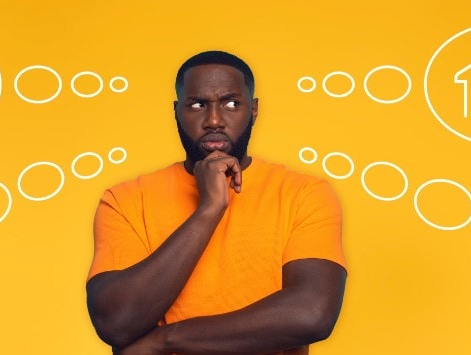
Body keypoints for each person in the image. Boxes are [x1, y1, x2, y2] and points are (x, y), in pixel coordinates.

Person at [85, 50, 348, 355]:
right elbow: (116, 321)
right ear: (176, 111)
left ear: (253, 110)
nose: (213, 120)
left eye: (231, 104)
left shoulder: (303, 193)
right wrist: (208, 209)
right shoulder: (126, 199)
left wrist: (164, 341)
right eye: (197, 105)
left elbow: (311, 313)